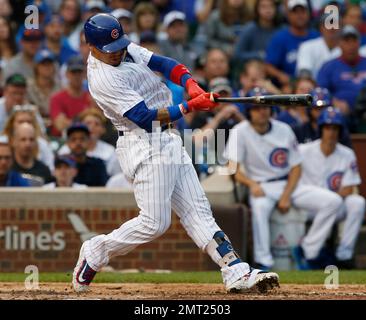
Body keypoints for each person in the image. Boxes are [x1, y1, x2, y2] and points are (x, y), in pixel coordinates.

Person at [72, 13, 279, 294]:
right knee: (155, 223)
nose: (118, 52)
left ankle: (235, 270)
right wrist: (190, 106)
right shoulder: (102, 78)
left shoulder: (120, 47)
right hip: (142, 143)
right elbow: (144, 118)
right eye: (111, 50)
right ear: (91, 47)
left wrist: (190, 84)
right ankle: (96, 250)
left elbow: (163, 64)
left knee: (199, 212)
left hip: (167, 139)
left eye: (120, 44)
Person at [224, 90, 343, 270]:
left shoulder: (284, 129)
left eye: (265, 107)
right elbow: (233, 169)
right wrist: (251, 184)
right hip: (261, 186)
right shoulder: (239, 131)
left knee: (333, 201)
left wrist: (286, 195)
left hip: (288, 184)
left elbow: (296, 167)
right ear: (249, 111)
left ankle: (307, 251)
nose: (262, 111)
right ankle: (264, 262)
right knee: (260, 207)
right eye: (256, 108)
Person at [298, 107, 365, 269]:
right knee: (332, 201)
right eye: (327, 127)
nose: (331, 132)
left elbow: (349, 188)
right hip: (305, 206)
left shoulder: (347, 153)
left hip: (333, 205)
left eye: (335, 128)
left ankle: (344, 255)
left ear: (340, 131)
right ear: (321, 129)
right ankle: (309, 252)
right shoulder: (303, 150)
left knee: (357, 202)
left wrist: (329, 199)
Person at [317, 25, 366, 131]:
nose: (351, 45)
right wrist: (334, 102)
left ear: (359, 42)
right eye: (346, 41)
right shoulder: (329, 66)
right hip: (339, 114)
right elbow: (320, 92)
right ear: (339, 44)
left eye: (354, 41)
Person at [265, 0, 318, 91]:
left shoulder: (316, 37)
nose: (300, 15)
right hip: (289, 85)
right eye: (295, 12)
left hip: (314, 84)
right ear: (288, 15)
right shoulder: (280, 37)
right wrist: (281, 76)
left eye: (303, 12)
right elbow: (268, 66)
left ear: (308, 13)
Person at [58, 108, 120, 176]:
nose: (92, 127)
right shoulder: (65, 150)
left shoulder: (110, 151)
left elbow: (115, 177)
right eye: (88, 123)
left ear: (103, 130)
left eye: (97, 124)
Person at [1, 104, 55, 171]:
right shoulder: (3, 142)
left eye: (29, 122)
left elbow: (50, 167)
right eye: (20, 122)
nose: (25, 124)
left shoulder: (42, 144)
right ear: (12, 123)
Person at [50, 55, 91, 137]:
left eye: (79, 72)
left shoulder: (91, 98)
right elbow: (60, 125)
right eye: (73, 72)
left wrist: (69, 122)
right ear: (67, 74)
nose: (76, 76)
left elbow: (96, 123)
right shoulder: (57, 98)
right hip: (62, 140)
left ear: (84, 74)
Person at [296, 13, 341, 79]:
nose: (331, 27)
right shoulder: (307, 46)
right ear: (321, 27)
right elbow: (304, 73)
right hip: (313, 86)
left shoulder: (348, 49)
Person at [65, 122, 108, 187]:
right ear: (67, 143)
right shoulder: (62, 165)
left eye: (82, 139)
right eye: (73, 139)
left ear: (88, 141)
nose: (78, 143)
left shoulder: (98, 164)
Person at [26, 49, 61, 118]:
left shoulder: (60, 87)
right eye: (43, 64)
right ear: (36, 67)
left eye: (50, 64)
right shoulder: (28, 87)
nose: (47, 67)